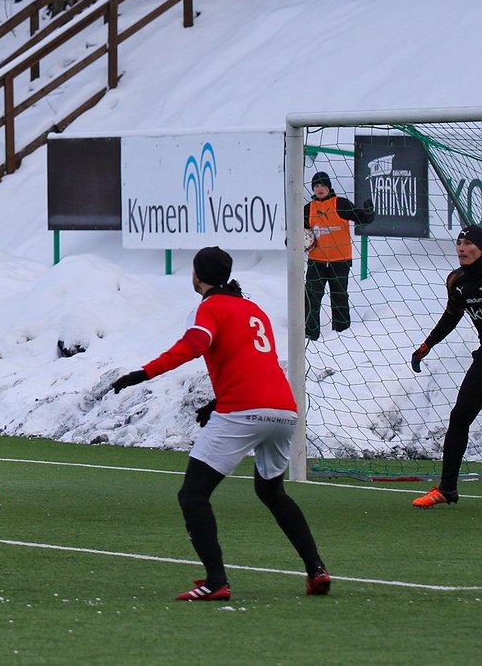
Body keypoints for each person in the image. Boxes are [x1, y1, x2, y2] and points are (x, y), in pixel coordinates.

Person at [110, 246, 330, 601]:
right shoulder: (253, 309)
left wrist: (143, 373)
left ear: (197, 275)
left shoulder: (210, 307)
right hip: (284, 410)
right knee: (271, 492)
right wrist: (216, 402)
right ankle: (316, 569)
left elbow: (194, 345)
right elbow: (253, 363)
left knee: (193, 494)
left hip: (243, 411)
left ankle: (216, 580)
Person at [410, 226, 482, 508]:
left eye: (468, 243)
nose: (461, 248)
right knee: (460, 415)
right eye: (459, 243)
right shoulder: (457, 280)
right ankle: (447, 490)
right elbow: (451, 317)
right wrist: (426, 345)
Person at [303, 171, 375, 340]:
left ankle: (342, 334)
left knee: (339, 297)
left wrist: (368, 214)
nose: (320, 189)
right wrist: (291, 241)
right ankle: (310, 334)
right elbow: (299, 230)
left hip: (339, 262)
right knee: (311, 297)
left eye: (323, 185)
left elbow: (360, 217)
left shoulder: (340, 204)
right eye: (316, 186)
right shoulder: (308, 209)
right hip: (316, 262)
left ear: (329, 187)